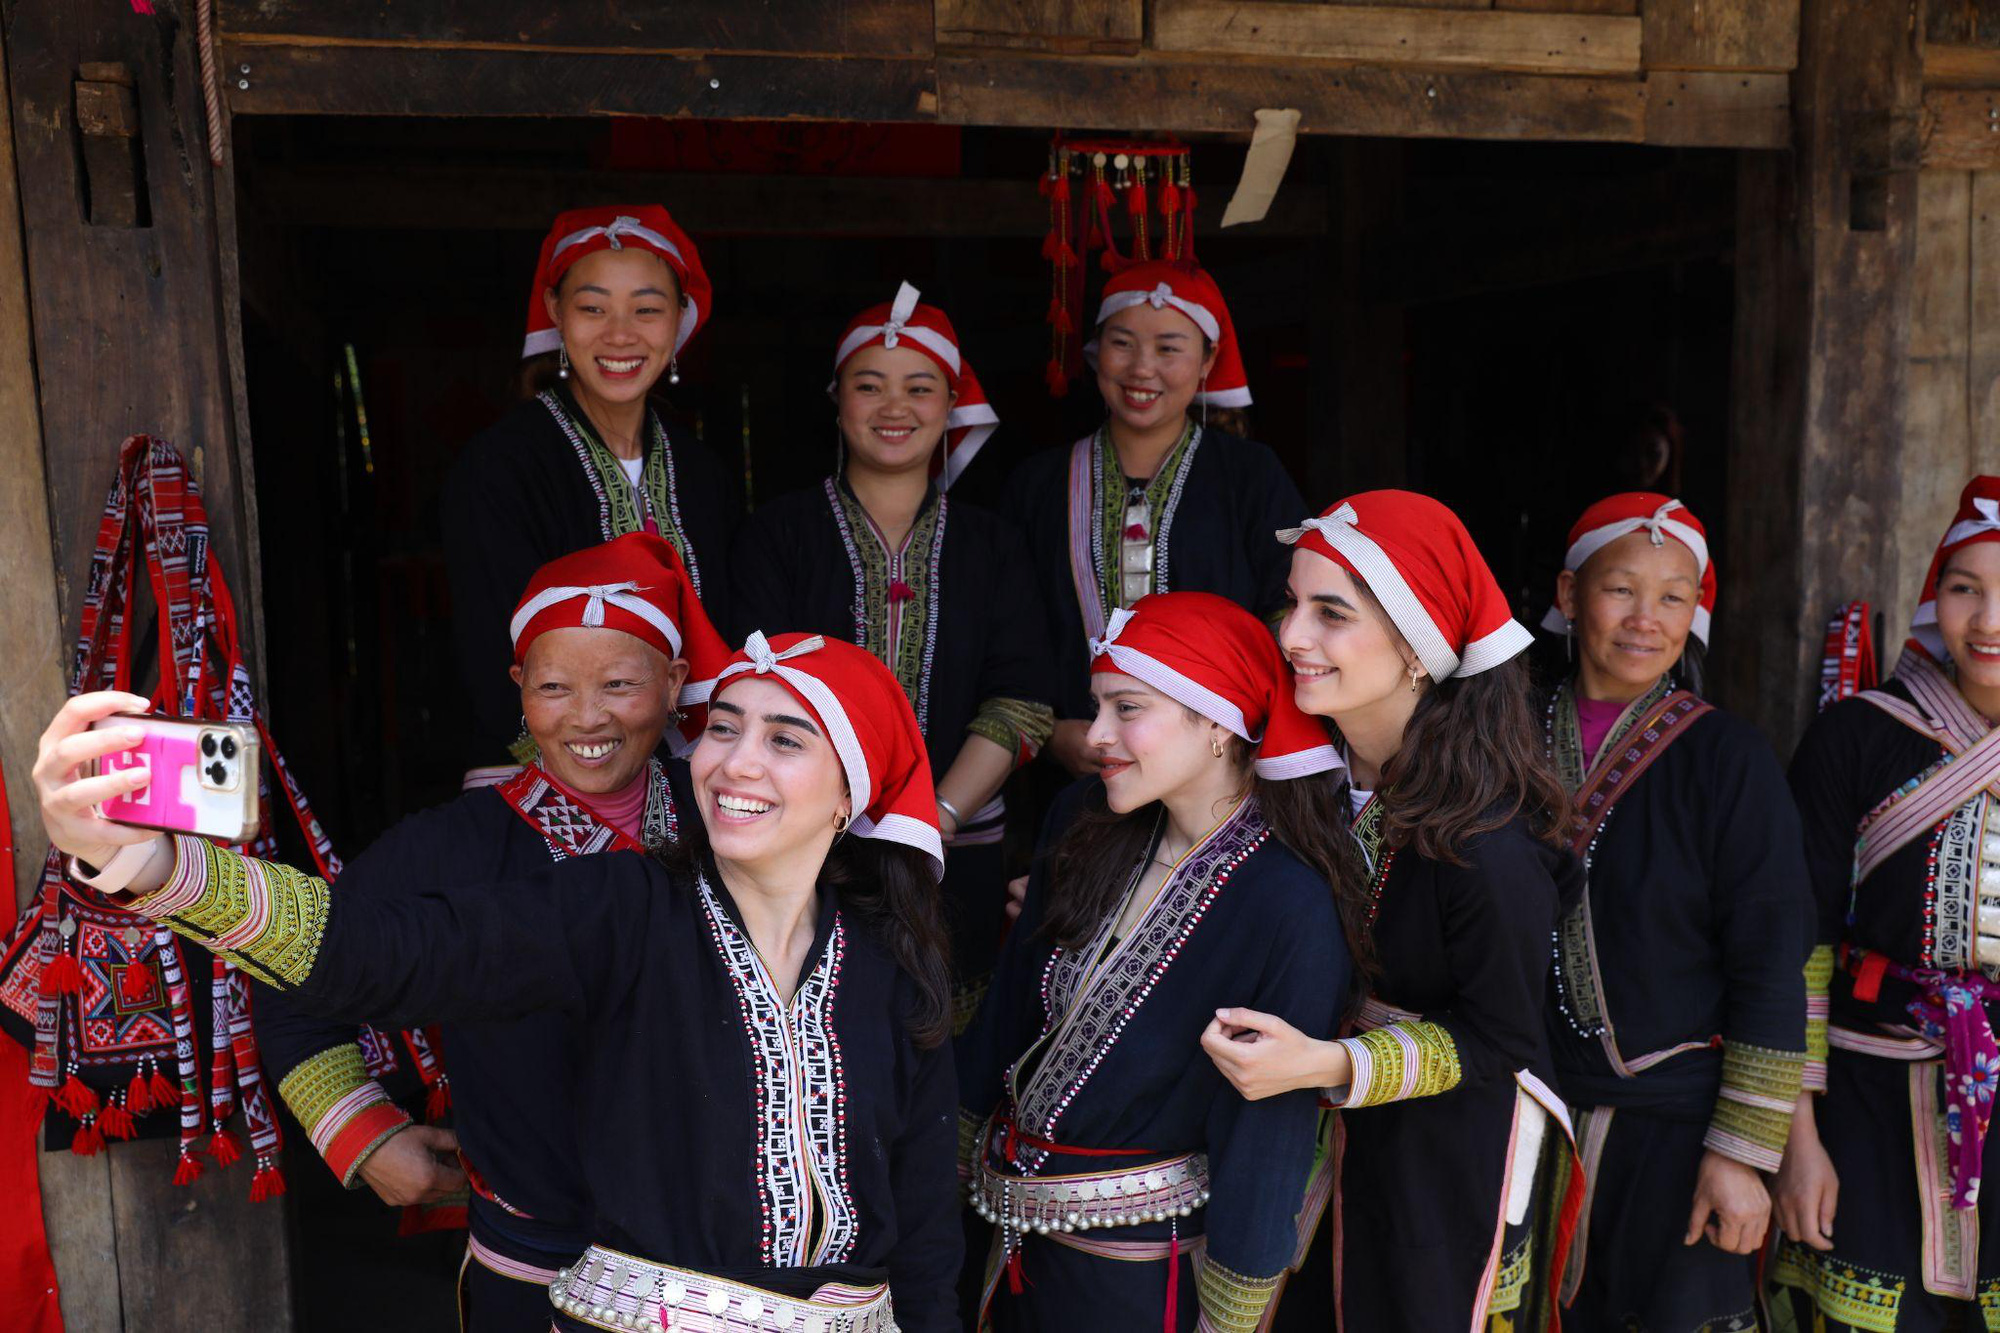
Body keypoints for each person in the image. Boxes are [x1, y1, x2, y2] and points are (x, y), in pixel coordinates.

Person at [37, 631, 963, 1332]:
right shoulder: (623, 909)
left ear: (852, 792)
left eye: (786, 738)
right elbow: (388, 949)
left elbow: (924, 1227)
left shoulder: (886, 965)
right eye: (724, 728)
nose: (735, 761)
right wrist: (155, 865)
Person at [252, 533, 729, 1330]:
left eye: (619, 683)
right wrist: (366, 1136)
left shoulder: (729, 819)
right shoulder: (453, 845)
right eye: (553, 686)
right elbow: (294, 971)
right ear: (517, 687)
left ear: (675, 680)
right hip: (534, 1270)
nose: (587, 717)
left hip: (717, 1272)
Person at [1199, 491, 1580, 1330]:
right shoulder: (1306, 784)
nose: (1292, 636)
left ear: (1417, 649)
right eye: (1293, 604)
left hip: (1441, 1170)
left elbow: (1498, 1036)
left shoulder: (1488, 844)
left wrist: (1331, 1065)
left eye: (1331, 613)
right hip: (1300, 1140)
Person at [958, 591, 1361, 1330]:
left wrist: (1230, 1317)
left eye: (1127, 708)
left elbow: (1264, 1134)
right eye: (1097, 706)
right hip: (1004, 1243)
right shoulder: (1085, 817)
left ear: (1216, 722)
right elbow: (1006, 1011)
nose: (1096, 735)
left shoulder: (1289, 901)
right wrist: (938, 1190)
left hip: (1141, 1276)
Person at [731, 283, 1053, 1028]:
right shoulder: (778, 534)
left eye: (919, 387)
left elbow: (1022, 702)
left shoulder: (993, 544)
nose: (893, 407)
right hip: (799, 845)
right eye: (868, 385)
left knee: (947, 1043)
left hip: (958, 852)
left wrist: (930, 818)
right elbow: (752, 684)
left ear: (950, 404)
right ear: (836, 399)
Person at [1536, 493, 1810, 1331]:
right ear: (1571, 592)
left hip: (1678, 1132)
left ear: (1697, 614)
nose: (1644, 619)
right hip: (1521, 1114)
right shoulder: (1499, 729)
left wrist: (1740, 1154)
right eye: (1621, 589)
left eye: (1673, 597)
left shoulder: (1729, 759)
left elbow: (1770, 960)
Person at [1771, 476, 2000, 1329]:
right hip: (1867, 1108)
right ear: (1932, 596)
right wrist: (1798, 1143)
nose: (1986, 621)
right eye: (1964, 588)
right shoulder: (1854, 737)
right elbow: (1797, 946)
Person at [443, 205, 735, 776]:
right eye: (593, 307)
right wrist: (579, 778)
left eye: (647, 309)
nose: (620, 334)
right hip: (540, 782)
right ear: (556, 311)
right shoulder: (500, 466)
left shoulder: (705, 475)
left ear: (679, 318)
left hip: (692, 787)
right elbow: (490, 651)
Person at [1004, 261, 1304, 778]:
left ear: (1208, 360)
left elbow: (1289, 608)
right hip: (1077, 771)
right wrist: (1053, 733)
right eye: (1123, 344)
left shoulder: (1250, 476)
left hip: (1220, 769)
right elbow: (1011, 629)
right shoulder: (1037, 484)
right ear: (1097, 351)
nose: (1142, 368)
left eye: (1168, 349)